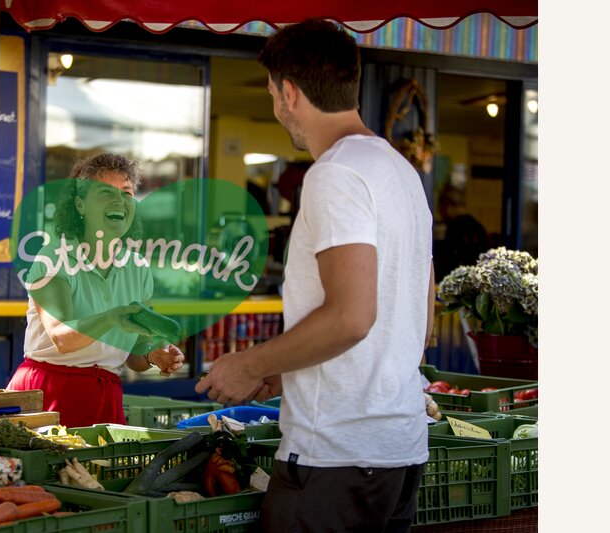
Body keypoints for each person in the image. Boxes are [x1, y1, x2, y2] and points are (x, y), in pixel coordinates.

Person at [195, 19, 434, 532]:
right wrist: (288, 368)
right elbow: (418, 316)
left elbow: (351, 319)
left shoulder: (336, 173)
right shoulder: (400, 172)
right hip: (399, 450)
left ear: (289, 92)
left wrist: (248, 363)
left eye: (273, 96)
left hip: (336, 457)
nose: (277, 111)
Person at [8, 153, 185, 428]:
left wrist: (153, 355)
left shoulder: (137, 267)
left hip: (105, 396)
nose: (118, 201)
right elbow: (61, 338)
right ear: (80, 204)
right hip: (47, 392)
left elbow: (134, 352)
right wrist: (113, 317)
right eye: (105, 192)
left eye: (126, 193)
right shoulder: (53, 258)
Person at [434, 184, 490, 278]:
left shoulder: (455, 227)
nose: (440, 213)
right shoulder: (478, 226)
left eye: (440, 207)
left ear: (448, 205)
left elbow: (449, 260)